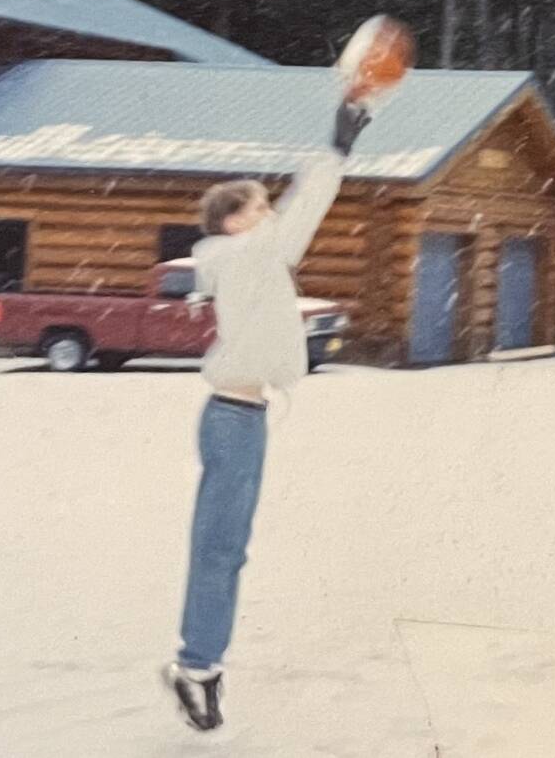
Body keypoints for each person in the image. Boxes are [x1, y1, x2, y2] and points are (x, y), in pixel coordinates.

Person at [161, 94, 372, 733]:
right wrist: (335, 149)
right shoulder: (239, 255)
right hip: (230, 418)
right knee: (219, 549)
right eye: (258, 205)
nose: (270, 210)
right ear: (232, 221)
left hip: (245, 419)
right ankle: (196, 667)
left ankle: (201, 665)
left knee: (229, 550)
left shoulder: (253, 260)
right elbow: (304, 212)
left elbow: (295, 219)